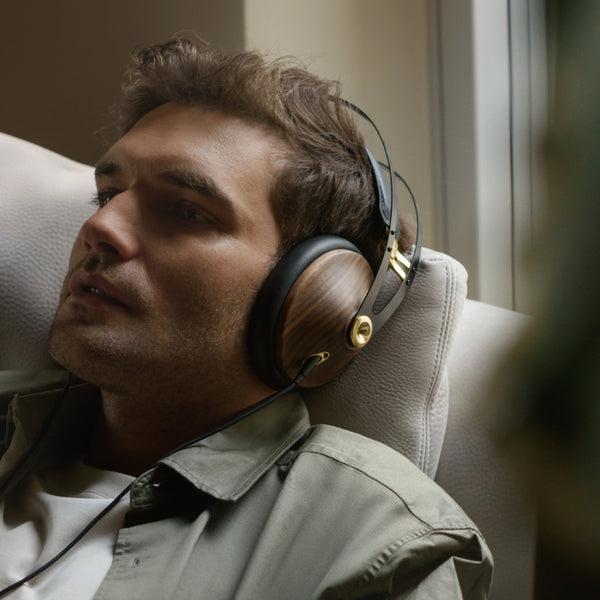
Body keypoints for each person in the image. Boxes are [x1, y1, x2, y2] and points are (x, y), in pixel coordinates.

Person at [0, 38, 492, 598]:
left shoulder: (375, 547)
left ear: (312, 301)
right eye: (108, 195)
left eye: (185, 211)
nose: (101, 228)